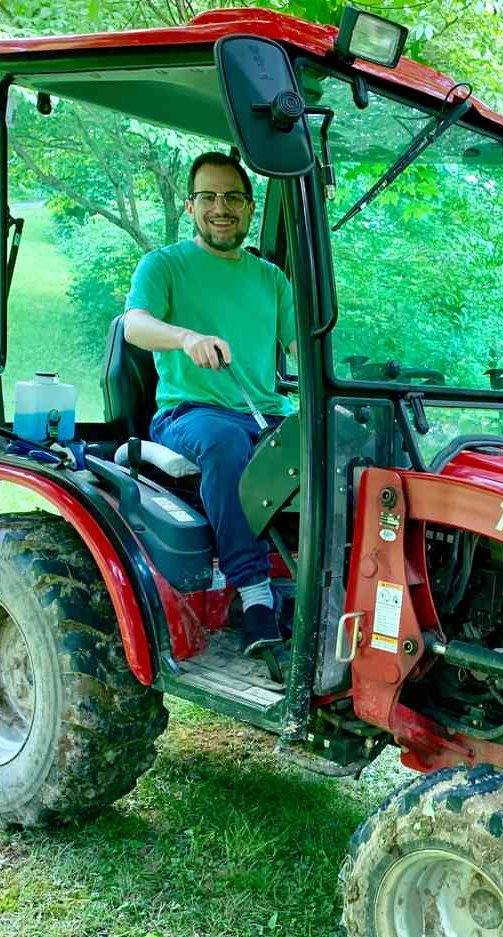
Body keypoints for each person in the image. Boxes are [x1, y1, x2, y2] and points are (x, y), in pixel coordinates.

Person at [123, 151, 296, 657]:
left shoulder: (271, 279)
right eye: (209, 197)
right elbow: (135, 325)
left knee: (336, 444)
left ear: (249, 207)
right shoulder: (165, 265)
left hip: (265, 414)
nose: (221, 208)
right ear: (191, 204)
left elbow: (297, 350)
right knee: (223, 444)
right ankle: (256, 596)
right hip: (190, 414)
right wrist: (185, 337)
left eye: (233, 198)